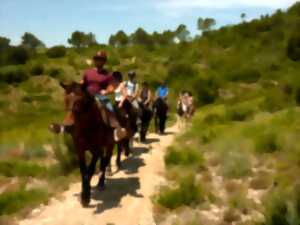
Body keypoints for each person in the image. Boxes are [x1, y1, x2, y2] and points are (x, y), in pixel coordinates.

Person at [50, 51, 126, 141]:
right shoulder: (88, 72)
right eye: (97, 59)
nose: (98, 61)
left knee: (107, 104)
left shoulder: (107, 75)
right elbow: (83, 83)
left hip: (99, 95)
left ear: (104, 61)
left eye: (100, 60)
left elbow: (112, 86)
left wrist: (106, 91)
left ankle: (116, 127)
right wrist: (75, 88)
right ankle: (65, 126)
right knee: (74, 102)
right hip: (86, 94)